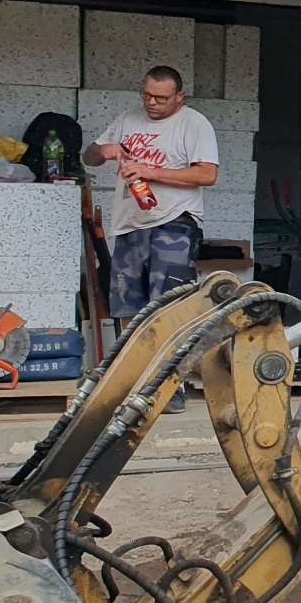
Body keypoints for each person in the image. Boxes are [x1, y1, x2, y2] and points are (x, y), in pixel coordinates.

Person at [84, 66, 220, 410]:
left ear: (179, 97)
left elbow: (207, 174)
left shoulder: (194, 123)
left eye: (161, 98)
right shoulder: (128, 119)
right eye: (146, 95)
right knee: (128, 305)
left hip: (174, 222)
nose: (152, 103)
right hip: (131, 224)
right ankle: (132, 382)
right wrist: (104, 150)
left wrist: (150, 171)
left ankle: (169, 388)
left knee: (169, 306)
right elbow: (89, 157)